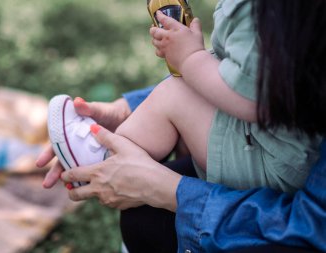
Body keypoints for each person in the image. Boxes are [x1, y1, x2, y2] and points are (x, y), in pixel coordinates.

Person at [37, 0, 326, 252]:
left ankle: (103, 159)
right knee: (145, 217)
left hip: (284, 174)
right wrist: (127, 109)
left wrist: (190, 59)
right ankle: (115, 154)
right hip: (297, 156)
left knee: (177, 97)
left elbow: (251, 98)